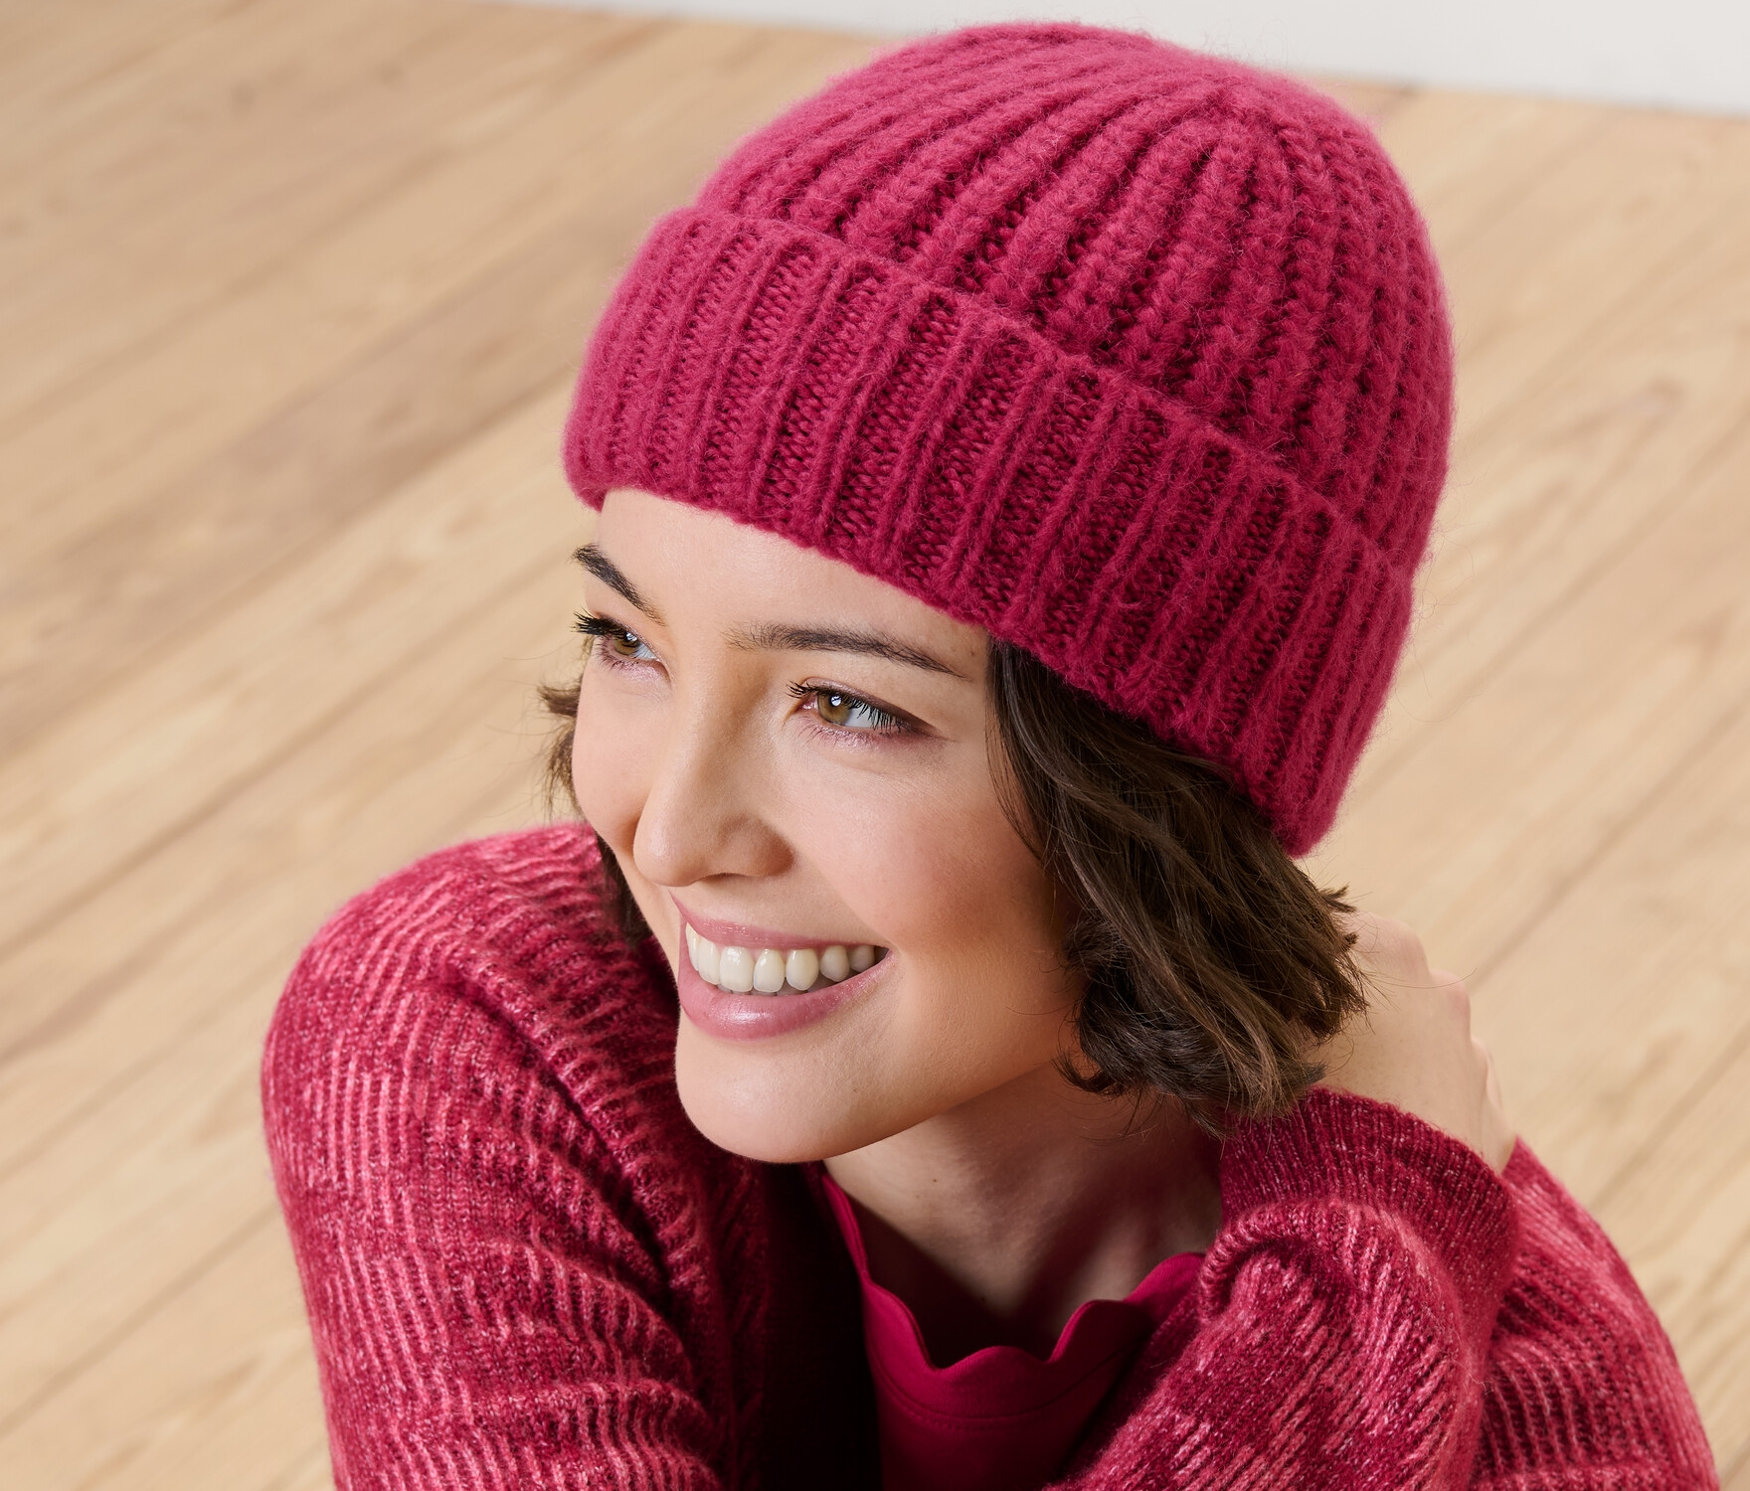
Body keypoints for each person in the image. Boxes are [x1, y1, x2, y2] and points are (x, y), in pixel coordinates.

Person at [261, 21, 1718, 1489]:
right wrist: (1347, 1322)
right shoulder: (485, 1023)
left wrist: (1355, 1281)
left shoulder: (1544, 1417)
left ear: (1159, 782)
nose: (672, 829)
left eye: (850, 706)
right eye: (628, 642)